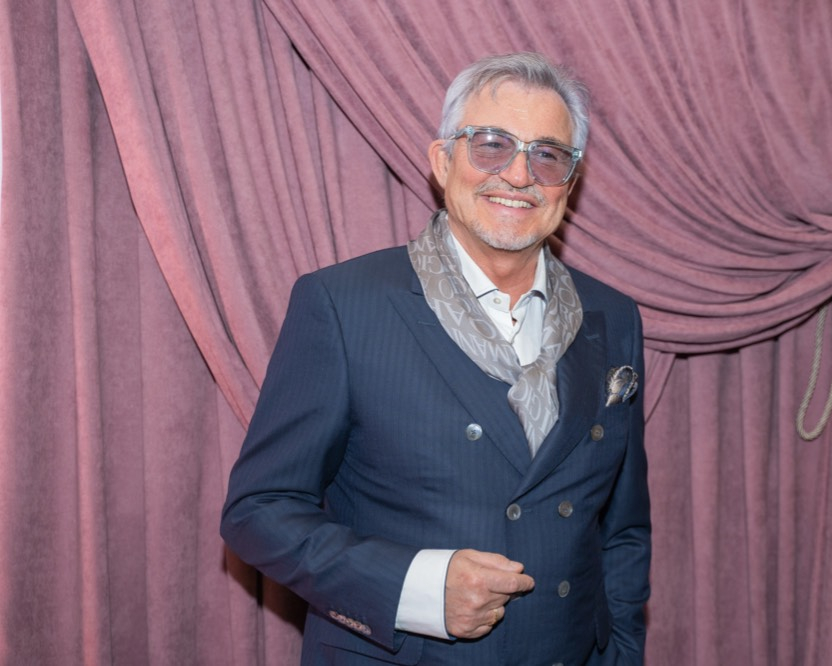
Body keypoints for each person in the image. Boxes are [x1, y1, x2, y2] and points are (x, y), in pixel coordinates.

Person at [221, 51, 651, 665]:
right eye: (492, 146)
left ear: (570, 181)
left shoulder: (613, 318)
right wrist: (415, 589)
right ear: (443, 161)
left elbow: (623, 531)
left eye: (547, 155)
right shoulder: (343, 306)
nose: (519, 175)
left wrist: (623, 653)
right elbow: (258, 511)